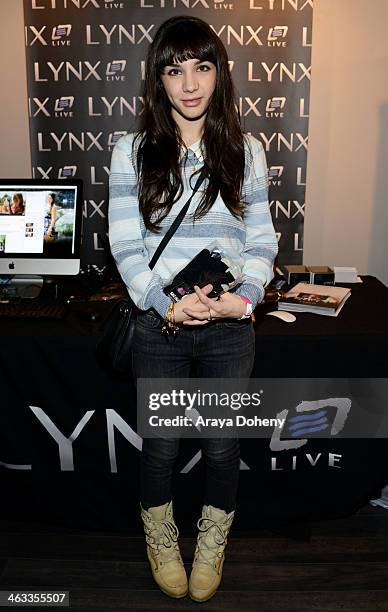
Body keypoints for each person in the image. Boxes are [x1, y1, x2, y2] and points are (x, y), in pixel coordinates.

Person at [108, 15, 278, 603]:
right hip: (161, 328)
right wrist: (167, 306)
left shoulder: (246, 150)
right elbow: (126, 246)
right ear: (158, 79)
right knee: (161, 445)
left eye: (202, 67)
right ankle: (160, 535)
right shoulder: (130, 151)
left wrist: (245, 298)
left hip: (231, 327)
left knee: (224, 443)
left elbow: (262, 242)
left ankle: (212, 539)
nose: (189, 83)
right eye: (175, 69)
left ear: (219, 74)